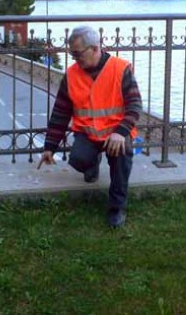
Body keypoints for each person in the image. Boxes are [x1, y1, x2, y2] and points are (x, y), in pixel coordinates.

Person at [38, 25, 142, 227]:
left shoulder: (120, 69)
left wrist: (121, 132)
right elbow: (60, 113)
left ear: (95, 48)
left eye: (78, 54)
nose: (75, 59)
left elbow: (135, 105)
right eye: (72, 54)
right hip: (88, 133)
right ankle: (92, 163)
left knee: (121, 161)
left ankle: (117, 208)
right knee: (78, 160)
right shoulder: (71, 75)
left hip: (116, 134)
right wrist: (50, 147)